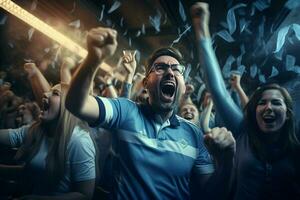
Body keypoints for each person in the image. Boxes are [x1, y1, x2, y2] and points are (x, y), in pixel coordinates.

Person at [66, 27, 235, 199]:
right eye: (160, 68)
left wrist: (227, 162)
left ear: (183, 86)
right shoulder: (125, 111)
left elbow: (213, 194)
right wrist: (93, 59)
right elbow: (77, 104)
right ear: (146, 83)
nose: (170, 72)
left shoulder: (194, 134)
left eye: (177, 69)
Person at [191, 2, 300, 199]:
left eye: (276, 103)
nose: (268, 107)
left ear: (288, 113)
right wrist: (201, 26)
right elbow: (218, 91)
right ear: (253, 110)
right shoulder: (243, 131)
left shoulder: (295, 143)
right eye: (262, 102)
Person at [0, 83, 96, 199]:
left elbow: (85, 195)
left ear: (69, 106)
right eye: (49, 91)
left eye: (55, 93)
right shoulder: (39, 129)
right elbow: (33, 173)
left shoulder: (80, 141)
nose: (45, 93)